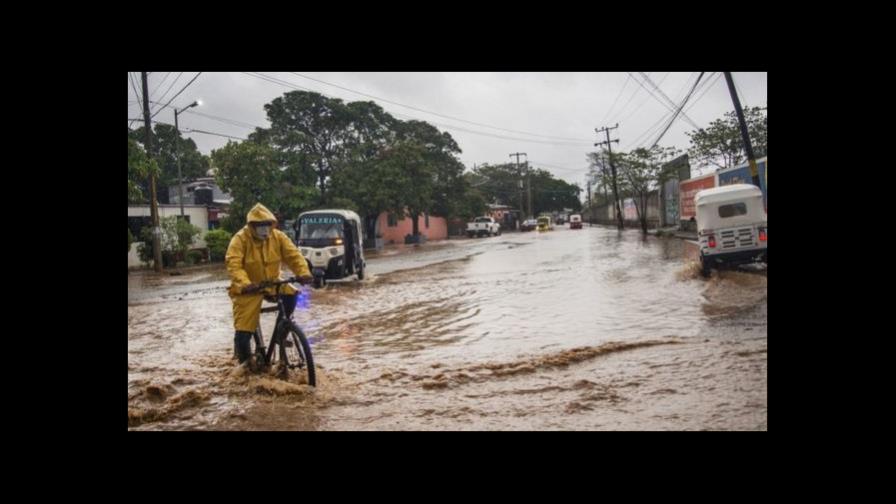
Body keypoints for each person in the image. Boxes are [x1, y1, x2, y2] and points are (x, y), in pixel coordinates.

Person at [225, 203, 313, 366]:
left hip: (273, 282)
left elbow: (293, 255)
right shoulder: (240, 239)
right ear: (252, 226)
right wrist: (245, 284)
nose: (264, 229)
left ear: (272, 224)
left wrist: (303, 273)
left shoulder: (278, 237)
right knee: (243, 332)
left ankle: (283, 330)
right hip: (248, 289)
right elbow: (234, 264)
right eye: (260, 225)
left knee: (292, 294)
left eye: (267, 225)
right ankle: (246, 368)